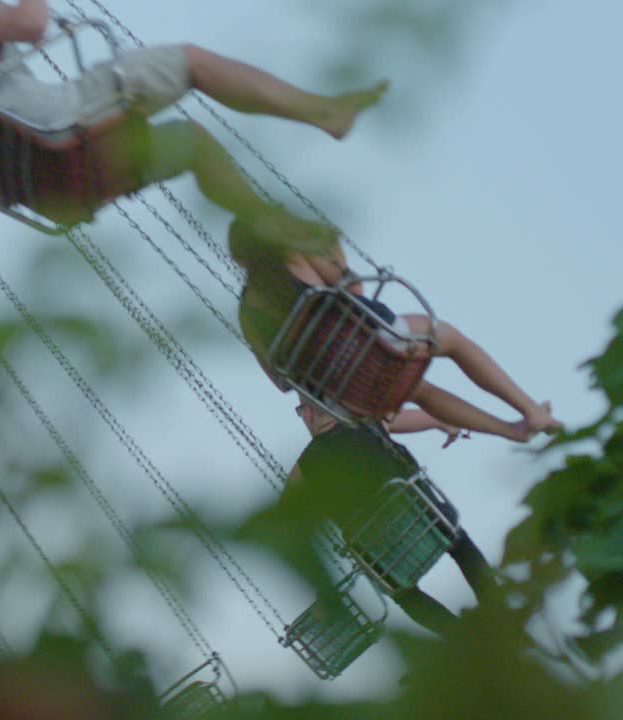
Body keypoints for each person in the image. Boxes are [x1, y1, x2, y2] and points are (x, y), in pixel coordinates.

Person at [0, 0, 387, 235]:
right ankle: (325, 112)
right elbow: (33, 25)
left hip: (47, 183)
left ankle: (269, 225)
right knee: (193, 61)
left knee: (192, 143)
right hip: (64, 124)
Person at [230, 213, 562, 442]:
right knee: (451, 339)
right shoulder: (294, 256)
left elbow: (281, 381)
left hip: (347, 395)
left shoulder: (247, 314)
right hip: (377, 344)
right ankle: (529, 412)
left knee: (419, 391)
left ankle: (510, 431)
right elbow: (354, 290)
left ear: (239, 259)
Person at [286, 399, 496, 637]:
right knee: (460, 544)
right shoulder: (369, 422)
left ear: (310, 413)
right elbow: (430, 416)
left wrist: (322, 595)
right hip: (430, 527)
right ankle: (498, 607)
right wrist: (445, 425)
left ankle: (459, 636)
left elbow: (291, 526)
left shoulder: (304, 470)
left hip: (389, 561)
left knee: (403, 595)